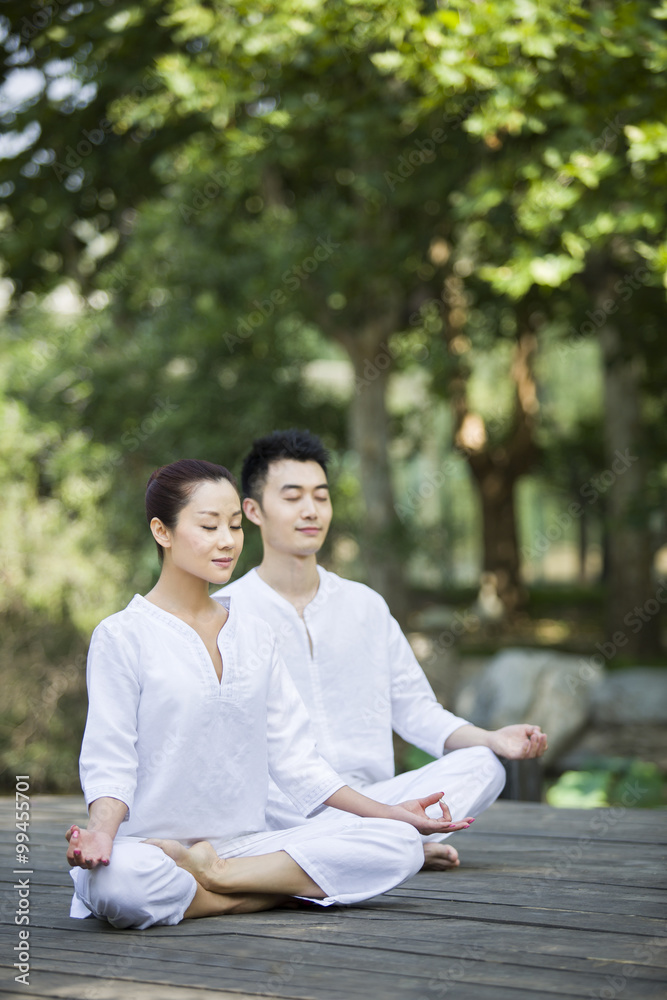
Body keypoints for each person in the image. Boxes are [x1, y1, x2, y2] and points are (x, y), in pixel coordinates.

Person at [66, 459, 472, 930]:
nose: (227, 540)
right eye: (208, 526)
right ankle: (262, 892)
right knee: (120, 885)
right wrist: (101, 835)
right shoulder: (122, 635)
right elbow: (111, 758)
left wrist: (389, 812)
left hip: (246, 844)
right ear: (162, 531)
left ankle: (217, 876)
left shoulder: (256, 635)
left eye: (235, 526)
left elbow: (298, 762)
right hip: (153, 849)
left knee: (398, 844)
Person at [218, 431, 548, 871]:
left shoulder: (365, 606)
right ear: (253, 510)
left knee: (483, 766)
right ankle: (387, 846)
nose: (311, 510)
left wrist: (491, 738)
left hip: (376, 803)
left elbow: (416, 711)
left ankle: (373, 844)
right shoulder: (228, 613)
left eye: (321, 495)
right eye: (293, 497)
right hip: (280, 812)